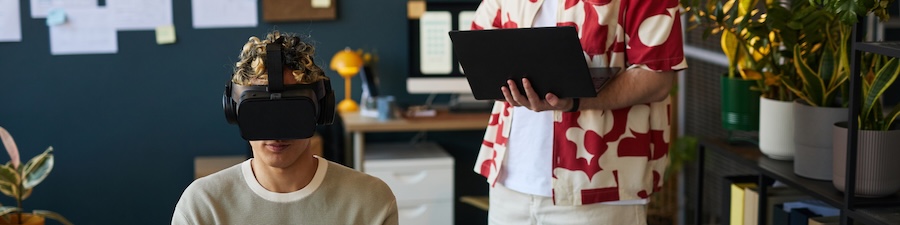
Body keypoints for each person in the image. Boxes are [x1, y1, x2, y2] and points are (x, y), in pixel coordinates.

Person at [470, 1, 687, 224]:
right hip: (509, 183)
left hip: (601, 188)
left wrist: (576, 100)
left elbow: (657, 78)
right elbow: (475, 45)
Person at [172, 31, 398, 225]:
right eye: (261, 112)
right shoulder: (202, 206)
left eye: (290, 112)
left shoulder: (370, 200)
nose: (276, 133)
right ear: (235, 112)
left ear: (319, 111)